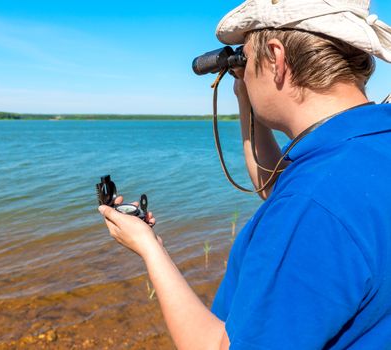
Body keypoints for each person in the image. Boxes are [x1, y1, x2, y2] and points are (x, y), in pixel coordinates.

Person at [98, 0, 391, 348]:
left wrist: (149, 248)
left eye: (248, 59)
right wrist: (244, 94)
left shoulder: (311, 207)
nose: (245, 71)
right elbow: (277, 187)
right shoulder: (364, 145)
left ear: (276, 57)